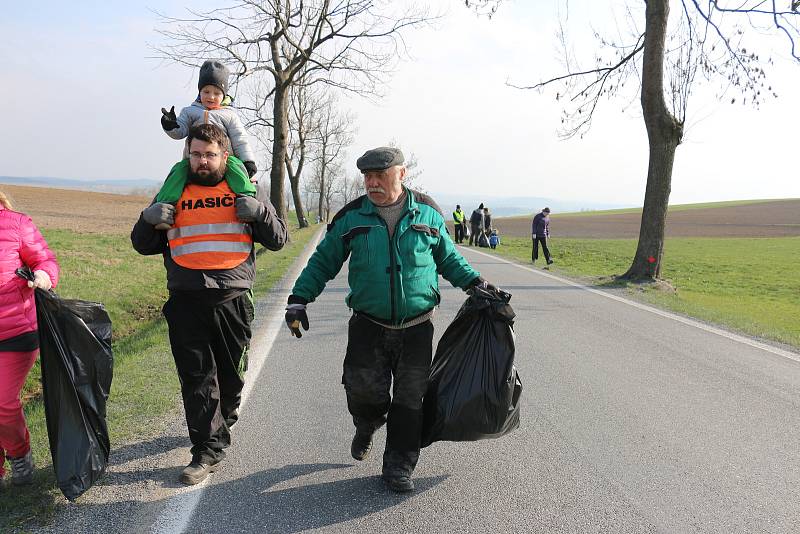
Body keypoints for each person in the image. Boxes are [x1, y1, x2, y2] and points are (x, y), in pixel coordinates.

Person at [284, 147, 497, 493]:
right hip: (368, 323)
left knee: (410, 400)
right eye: (367, 176)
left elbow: (448, 259)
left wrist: (475, 283)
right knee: (363, 391)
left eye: (380, 175)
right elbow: (324, 261)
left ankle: (399, 464)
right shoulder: (352, 217)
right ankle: (366, 424)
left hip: (417, 326)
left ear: (402, 173)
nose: (372, 183)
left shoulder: (427, 213)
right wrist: (298, 300)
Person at [131, 124, 288, 485]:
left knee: (231, 379)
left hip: (232, 299)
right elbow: (143, 244)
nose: (203, 161)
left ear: (225, 156)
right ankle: (206, 449)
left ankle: (223, 417)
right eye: (196, 154)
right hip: (185, 299)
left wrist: (259, 214)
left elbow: (279, 239)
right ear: (188, 155)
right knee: (197, 378)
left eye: (210, 154)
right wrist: (148, 218)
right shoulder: (172, 192)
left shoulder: (243, 190)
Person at [0, 191, 59, 487]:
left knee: (3, 401)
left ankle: (20, 454)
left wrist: (44, 275)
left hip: (16, 332)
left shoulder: (16, 225)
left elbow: (46, 259)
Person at [158, 60, 259, 213]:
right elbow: (180, 131)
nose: (211, 97)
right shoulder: (190, 111)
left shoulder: (229, 115)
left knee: (238, 172)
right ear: (199, 92)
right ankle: (165, 206)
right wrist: (170, 124)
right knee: (177, 173)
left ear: (224, 94)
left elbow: (240, 139)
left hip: (224, 159)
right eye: (206, 92)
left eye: (217, 93)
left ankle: (248, 201)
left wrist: (247, 161)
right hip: (193, 159)